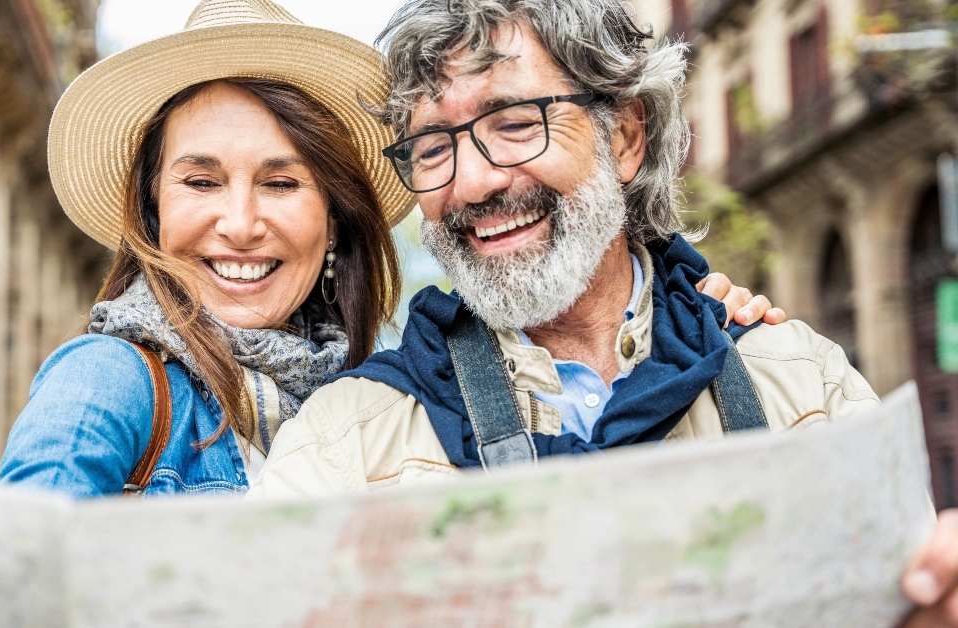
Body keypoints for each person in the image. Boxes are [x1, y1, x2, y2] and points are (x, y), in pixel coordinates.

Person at [0, 0, 781, 624]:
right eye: (201, 180)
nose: (240, 224)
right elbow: (8, 591)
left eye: (282, 182)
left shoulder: (373, 391)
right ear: (152, 206)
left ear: (337, 216)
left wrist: (713, 326)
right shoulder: (108, 381)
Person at [245, 0, 958, 623]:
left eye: (516, 123)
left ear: (625, 137)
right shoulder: (343, 445)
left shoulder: (804, 385)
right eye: (433, 147)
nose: (472, 182)